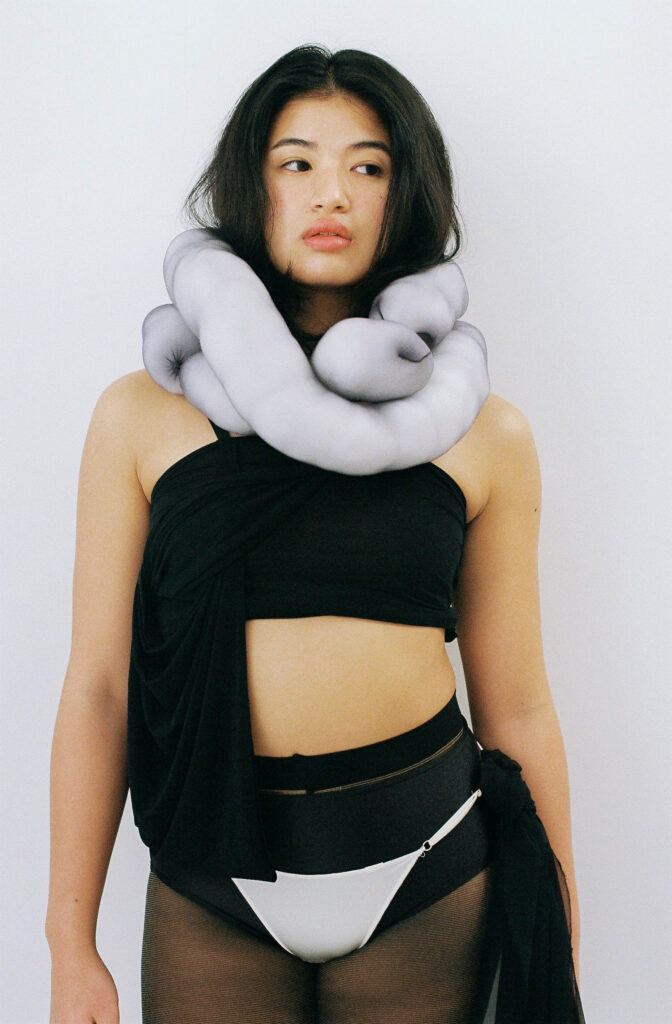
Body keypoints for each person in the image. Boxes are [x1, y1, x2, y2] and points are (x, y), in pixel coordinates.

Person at [45, 45, 584, 1023]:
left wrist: (562, 937)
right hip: (215, 882)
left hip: (426, 869)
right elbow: (98, 689)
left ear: (402, 194)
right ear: (248, 185)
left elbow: (520, 707)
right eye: (296, 161)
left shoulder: (484, 432)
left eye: (367, 166)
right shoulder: (142, 416)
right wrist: (68, 943)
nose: (331, 191)